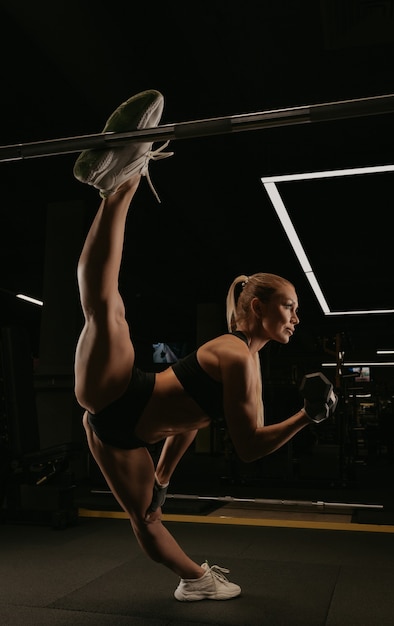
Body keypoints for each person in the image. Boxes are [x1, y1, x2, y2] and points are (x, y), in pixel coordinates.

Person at [73, 89, 337, 601]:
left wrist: (165, 478)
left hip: (121, 435)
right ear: (257, 306)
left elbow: (191, 421)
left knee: (147, 520)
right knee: (106, 306)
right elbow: (250, 447)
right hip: (125, 393)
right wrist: (308, 417)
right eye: (289, 306)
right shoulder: (238, 357)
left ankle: (195, 581)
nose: (295, 318)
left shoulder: (242, 356)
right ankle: (120, 182)